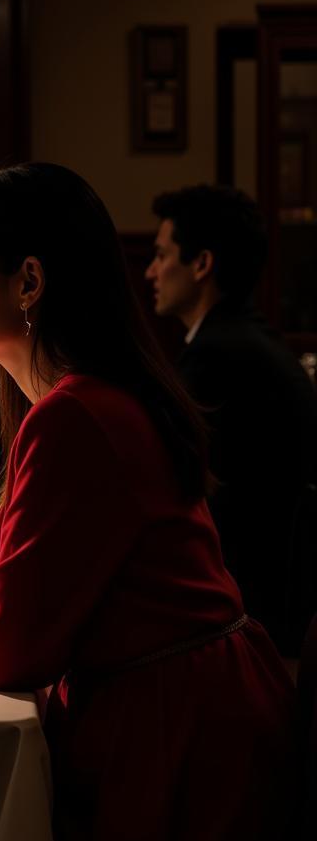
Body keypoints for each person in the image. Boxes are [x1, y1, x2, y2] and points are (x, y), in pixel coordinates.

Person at [0, 164, 307, 841]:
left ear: (28, 280)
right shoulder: (101, 395)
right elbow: (83, 588)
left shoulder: (74, 417)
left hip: (173, 744)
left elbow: (16, 653)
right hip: (208, 710)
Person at [146, 184, 317, 656]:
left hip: (250, 613)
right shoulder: (251, 341)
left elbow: (178, 493)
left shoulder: (215, 360)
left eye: (162, 255)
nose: (150, 270)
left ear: (201, 264)